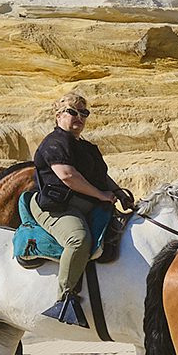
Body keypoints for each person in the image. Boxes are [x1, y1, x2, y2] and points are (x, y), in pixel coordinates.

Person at [32, 93, 131, 327]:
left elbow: (101, 177)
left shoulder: (86, 147)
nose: (79, 117)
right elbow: (68, 176)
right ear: (58, 116)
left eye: (84, 113)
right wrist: (102, 195)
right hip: (58, 207)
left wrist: (117, 192)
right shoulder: (54, 143)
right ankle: (64, 299)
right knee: (78, 239)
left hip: (88, 204)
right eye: (72, 112)